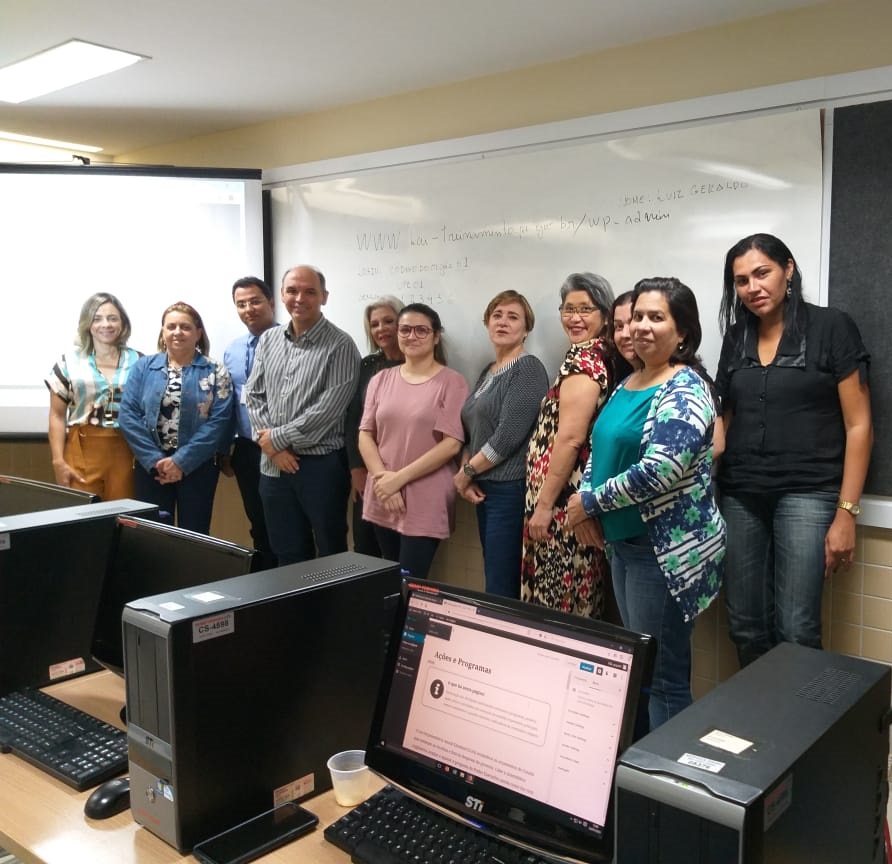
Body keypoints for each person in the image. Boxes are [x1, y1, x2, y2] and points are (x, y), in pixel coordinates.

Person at [568, 277, 725, 731]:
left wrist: (588, 502)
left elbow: (661, 470)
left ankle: (669, 775)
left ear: (683, 332)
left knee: (663, 678)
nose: (641, 326)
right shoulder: (629, 382)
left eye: (656, 317)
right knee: (641, 665)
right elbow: (599, 448)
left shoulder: (686, 388)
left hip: (662, 553)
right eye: (637, 316)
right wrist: (586, 503)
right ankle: (644, 765)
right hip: (623, 545)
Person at [716, 233, 872, 667]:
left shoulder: (832, 327)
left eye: (762, 273)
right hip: (741, 494)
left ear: (788, 269)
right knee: (745, 625)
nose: (753, 287)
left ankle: (798, 714)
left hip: (809, 493)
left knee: (797, 629)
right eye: (742, 280)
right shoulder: (737, 336)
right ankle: (760, 711)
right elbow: (722, 419)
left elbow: (859, 425)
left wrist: (847, 513)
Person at [246, 265, 360, 565]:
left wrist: (275, 440)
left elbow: (329, 409)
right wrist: (273, 449)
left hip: (320, 466)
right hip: (273, 467)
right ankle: (295, 600)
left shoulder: (341, 345)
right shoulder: (269, 340)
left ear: (324, 297)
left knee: (330, 550)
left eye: (310, 291)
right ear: (282, 296)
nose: (299, 298)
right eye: (292, 291)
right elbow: (253, 395)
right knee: (286, 552)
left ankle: (331, 600)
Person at [521, 272, 615, 617]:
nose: (575, 318)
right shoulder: (594, 355)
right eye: (568, 308)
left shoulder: (584, 362)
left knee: (558, 606)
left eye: (586, 309)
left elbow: (571, 438)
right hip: (565, 498)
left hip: (560, 504)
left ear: (605, 315)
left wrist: (544, 506)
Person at [358, 303, 468, 579]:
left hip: (424, 496)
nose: (412, 336)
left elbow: (451, 444)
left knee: (410, 583)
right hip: (383, 492)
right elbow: (365, 434)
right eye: (405, 330)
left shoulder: (452, 382)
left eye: (421, 330)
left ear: (436, 336)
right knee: (389, 581)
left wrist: (398, 480)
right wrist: (384, 480)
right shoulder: (380, 379)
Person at [454, 290, 548, 597]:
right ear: (487, 323)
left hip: (509, 490)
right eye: (497, 315)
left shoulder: (528, 369)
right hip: (484, 486)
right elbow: (472, 429)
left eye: (513, 317)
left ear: (526, 328)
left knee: (500, 584)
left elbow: (507, 437)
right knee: (494, 574)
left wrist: (467, 472)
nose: (503, 322)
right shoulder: (488, 371)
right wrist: (468, 472)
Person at [119, 302, 233, 533]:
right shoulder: (143, 367)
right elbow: (128, 416)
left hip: (198, 466)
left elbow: (219, 422)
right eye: (171, 326)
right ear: (163, 332)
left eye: (185, 327)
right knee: (153, 535)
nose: (177, 332)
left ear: (198, 333)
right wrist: (155, 461)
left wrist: (181, 461)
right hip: (152, 467)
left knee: (195, 535)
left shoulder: (216, 371)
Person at [46, 293, 142, 500]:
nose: (105, 324)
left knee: (123, 515)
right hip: (81, 451)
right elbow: (56, 415)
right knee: (82, 515)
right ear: (87, 323)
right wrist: (58, 461)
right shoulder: (68, 363)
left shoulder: (140, 362)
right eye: (97, 318)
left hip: (127, 452)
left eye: (112, 318)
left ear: (123, 323)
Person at [222, 276, 279, 571]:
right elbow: (229, 403)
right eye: (241, 304)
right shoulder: (232, 350)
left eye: (255, 301)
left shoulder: (290, 342)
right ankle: (266, 584)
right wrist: (224, 450)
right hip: (246, 449)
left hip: (281, 448)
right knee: (258, 523)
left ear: (271, 302)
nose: (249, 309)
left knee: (285, 525)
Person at [345, 296, 405, 556]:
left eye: (388, 321)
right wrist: (357, 468)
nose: (381, 329)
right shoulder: (368, 365)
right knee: (364, 547)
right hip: (368, 471)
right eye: (374, 324)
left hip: (404, 472)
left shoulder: (420, 365)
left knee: (397, 553)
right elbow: (354, 418)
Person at [609, 290, 641, 380]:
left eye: (632, 323)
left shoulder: (673, 380)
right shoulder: (621, 379)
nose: (624, 335)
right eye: (619, 326)